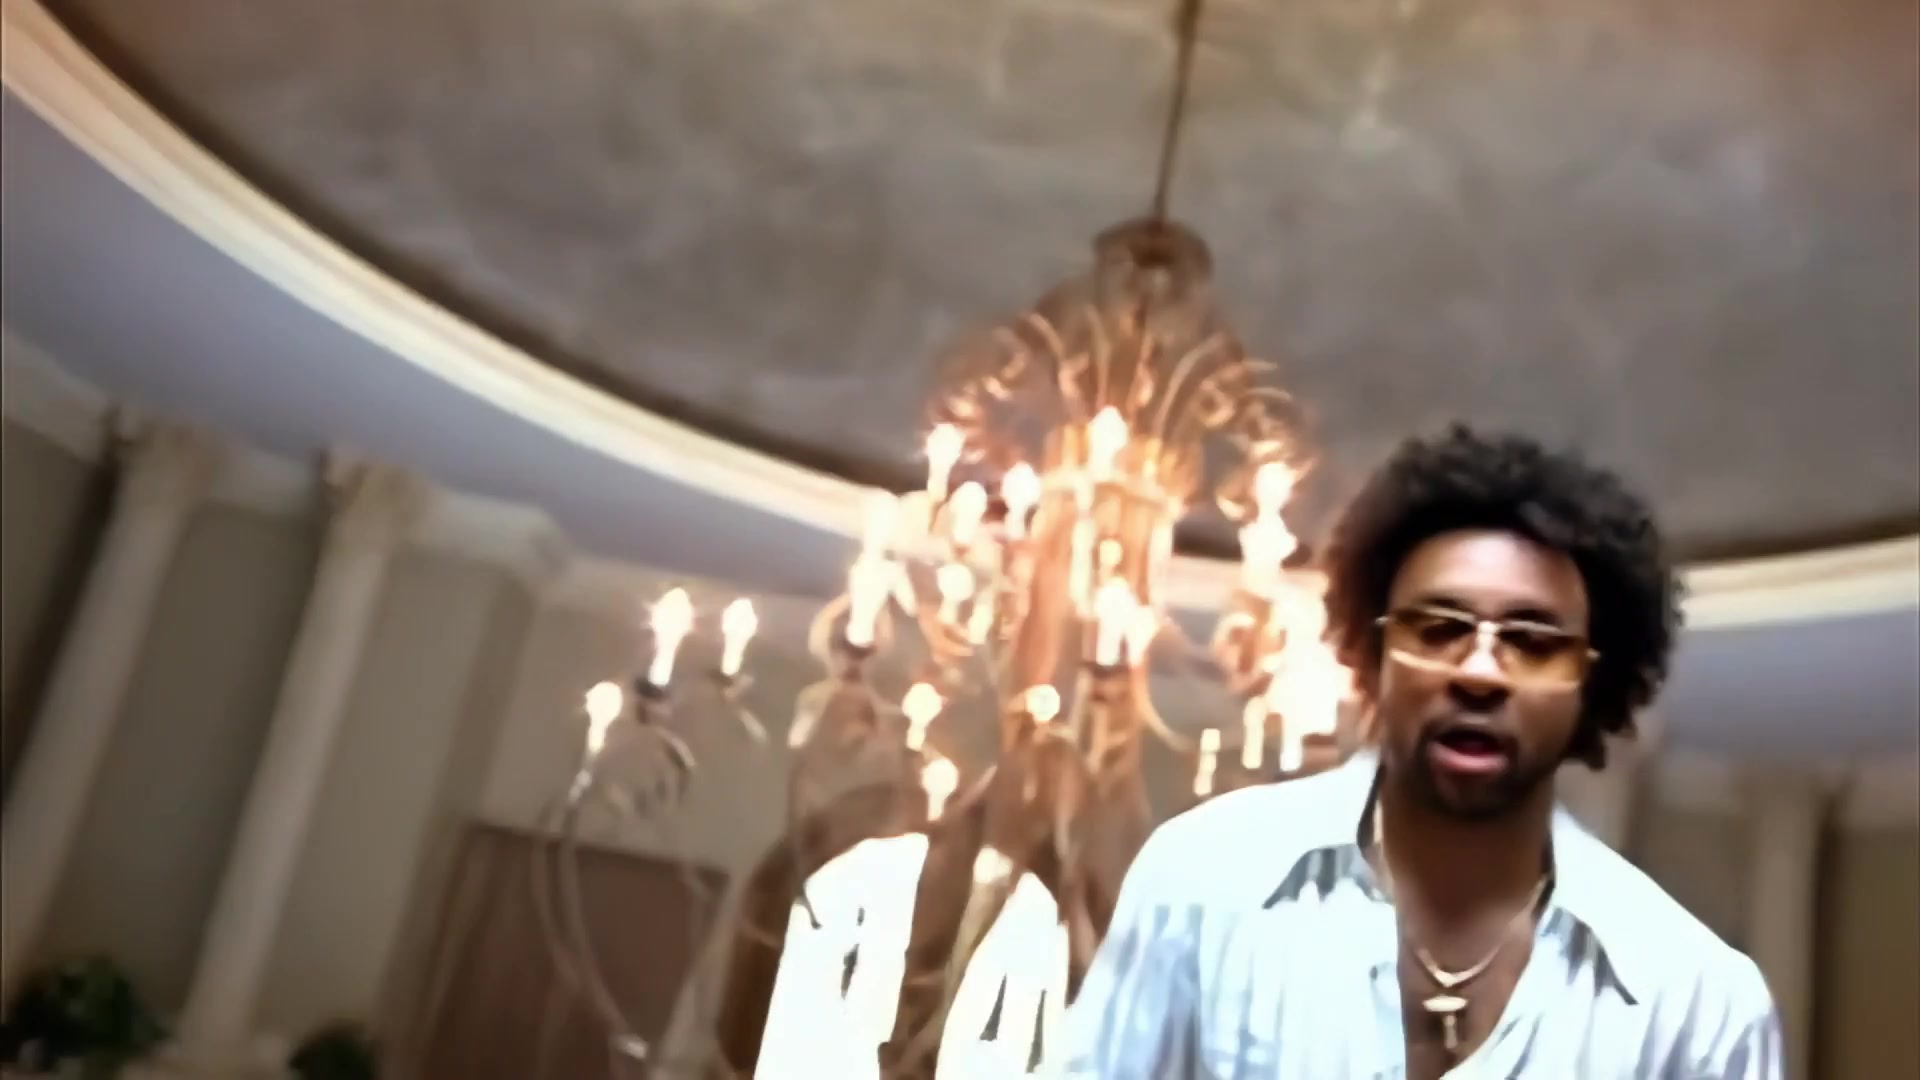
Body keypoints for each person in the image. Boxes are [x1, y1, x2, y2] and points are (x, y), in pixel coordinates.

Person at [1062, 426, 1780, 1079]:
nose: (1479, 672)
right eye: (1438, 628)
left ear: (1593, 682)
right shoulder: (1204, 879)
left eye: (1533, 642)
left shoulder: (1695, 1001)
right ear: (1373, 650)